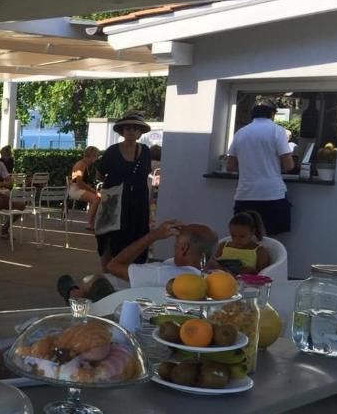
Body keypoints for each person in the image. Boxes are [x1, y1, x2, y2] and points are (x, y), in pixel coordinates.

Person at [57, 220, 218, 302]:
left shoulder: (161, 274)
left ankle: (73, 295)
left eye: (176, 243)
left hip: (126, 312)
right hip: (169, 313)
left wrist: (153, 236)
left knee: (98, 279)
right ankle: (74, 293)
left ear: (183, 248)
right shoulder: (211, 277)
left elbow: (112, 265)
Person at [227, 102, 295, 235]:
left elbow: (230, 166)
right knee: (268, 241)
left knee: (243, 240)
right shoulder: (277, 130)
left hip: (245, 195)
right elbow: (289, 165)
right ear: (272, 114)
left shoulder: (240, 133)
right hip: (271, 194)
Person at [95, 112, 153, 268]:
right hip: (115, 201)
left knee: (137, 236)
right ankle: (107, 273)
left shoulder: (146, 151)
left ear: (140, 132)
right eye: (127, 128)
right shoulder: (113, 151)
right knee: (110, 236)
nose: (131, 131)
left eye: (135, 128)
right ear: (122, 131)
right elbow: (100, 175)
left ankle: (131, 272)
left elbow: (145, 176)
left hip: (138, 202)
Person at [69, 146, 101, 231]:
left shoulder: (85, 164)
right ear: (92, 155)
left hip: (78, 188)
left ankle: (92, 222)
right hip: (75, 190)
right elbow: (79, 183)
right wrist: (92, 190)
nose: (97, 158)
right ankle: (90, 224)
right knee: (96, 199)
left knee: (97, 197)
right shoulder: (81, 164)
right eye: (96, 156)